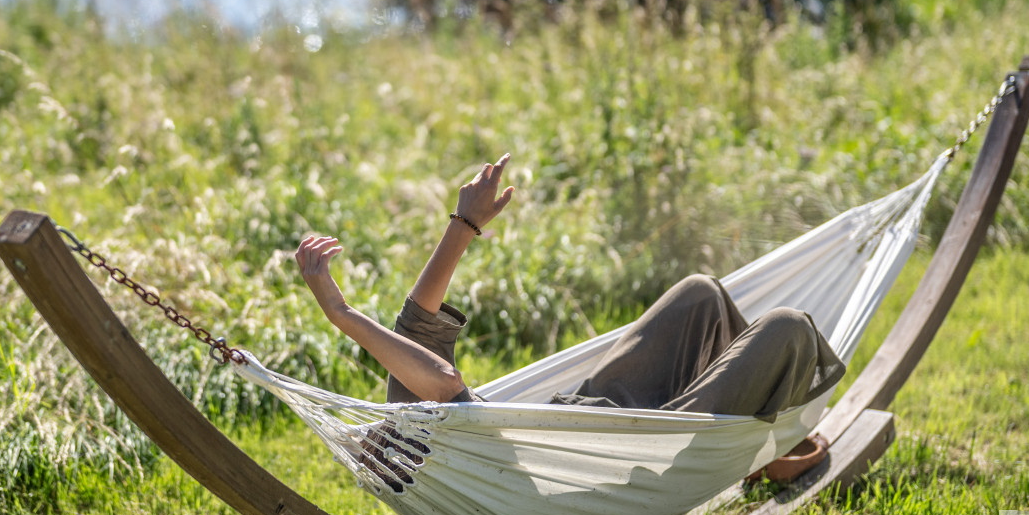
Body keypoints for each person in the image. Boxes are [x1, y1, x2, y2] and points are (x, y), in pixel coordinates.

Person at [295, 153, 845, 419]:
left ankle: (761, 433)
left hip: (589, 410)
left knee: (701, 293)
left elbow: (417, 324)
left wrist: (464, 225)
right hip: (641, 446)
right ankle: (763, 441)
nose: (376, 439)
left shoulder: (417, 408)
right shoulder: (452, 434)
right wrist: (339, 312)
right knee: (789, 329)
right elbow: (442, 378)